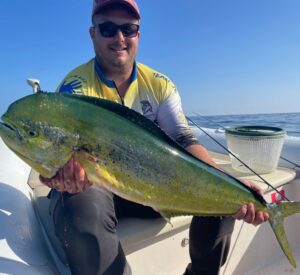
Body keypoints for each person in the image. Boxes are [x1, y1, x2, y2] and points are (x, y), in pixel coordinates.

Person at [40, 0, 269, 274]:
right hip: (99, 188)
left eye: (129, 28)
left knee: (219, 198)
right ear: (93, 33)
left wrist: (228, 182)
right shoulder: (75, 88)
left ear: (139, 34)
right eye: (108, 28)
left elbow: (184, 139)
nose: (120, 38)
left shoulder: (159, 84)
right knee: (79, 205)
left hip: (153, 188)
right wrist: (61, 175)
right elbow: (57, 152)